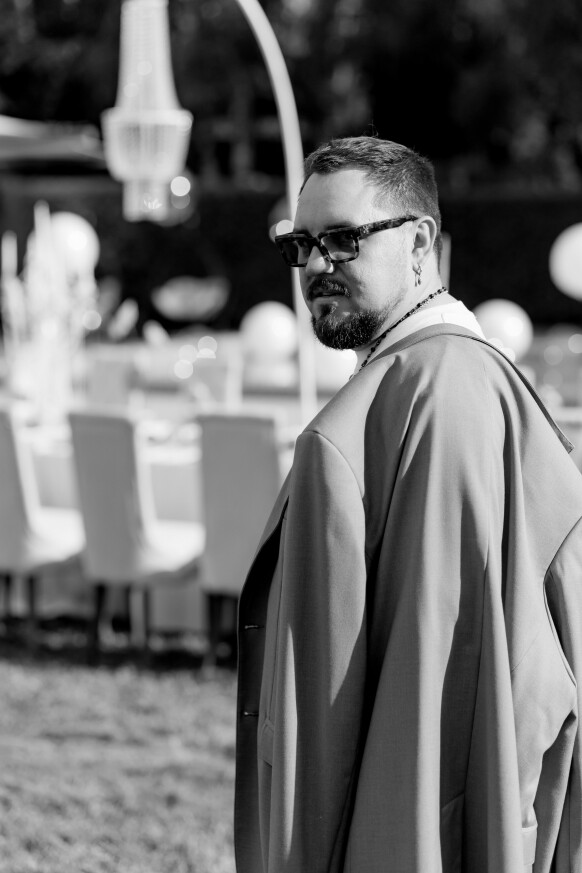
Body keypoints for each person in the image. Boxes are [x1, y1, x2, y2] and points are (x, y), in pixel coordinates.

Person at [234, 136, 582, 873]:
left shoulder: (427, 398)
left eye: (343, 239)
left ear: (420, 242)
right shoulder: (460, 379)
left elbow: (435, 710)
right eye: (301, 244)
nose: (316, 265)